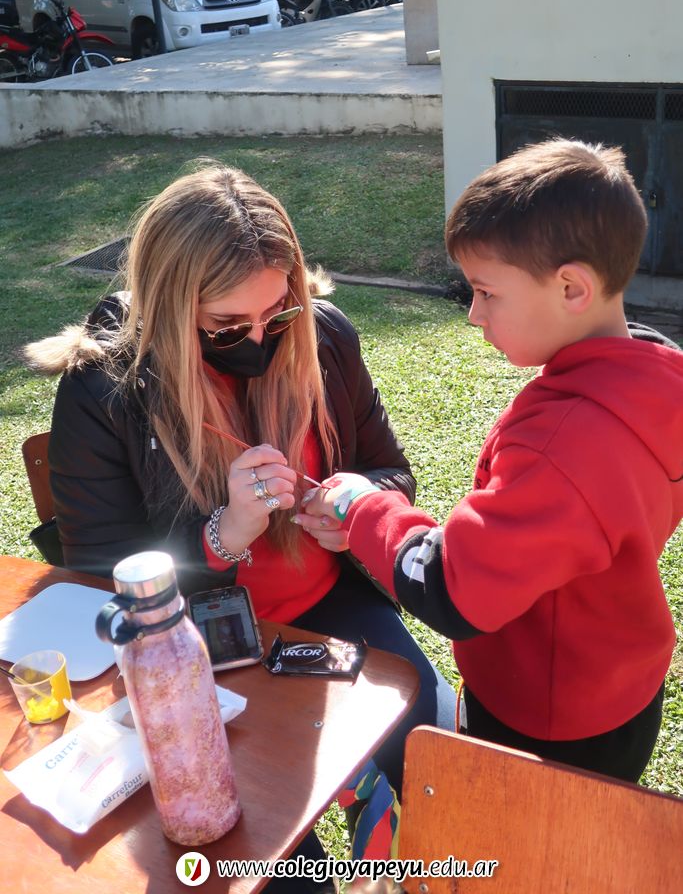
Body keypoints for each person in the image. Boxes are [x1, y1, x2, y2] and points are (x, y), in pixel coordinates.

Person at [24, 162, 455, 806]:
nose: (258, 340)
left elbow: (390, 470)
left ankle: (372, 808)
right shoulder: (104, 390)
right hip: (196, 635)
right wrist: (221, 536)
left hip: (334, 606)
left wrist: (356, 507)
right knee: (257, 832)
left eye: (276, 315)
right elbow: (102, 576)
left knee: (441, 765)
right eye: (226, 326)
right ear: (171, 307)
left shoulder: (325, 338)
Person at [298, 139, 683, 783]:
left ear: (571, 288)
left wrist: (361, 506)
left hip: (544, 717)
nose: (474, 314)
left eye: (485, 292)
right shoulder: (654, 376)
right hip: (622, 684)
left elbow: (454, 588)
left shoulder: (565, 443)